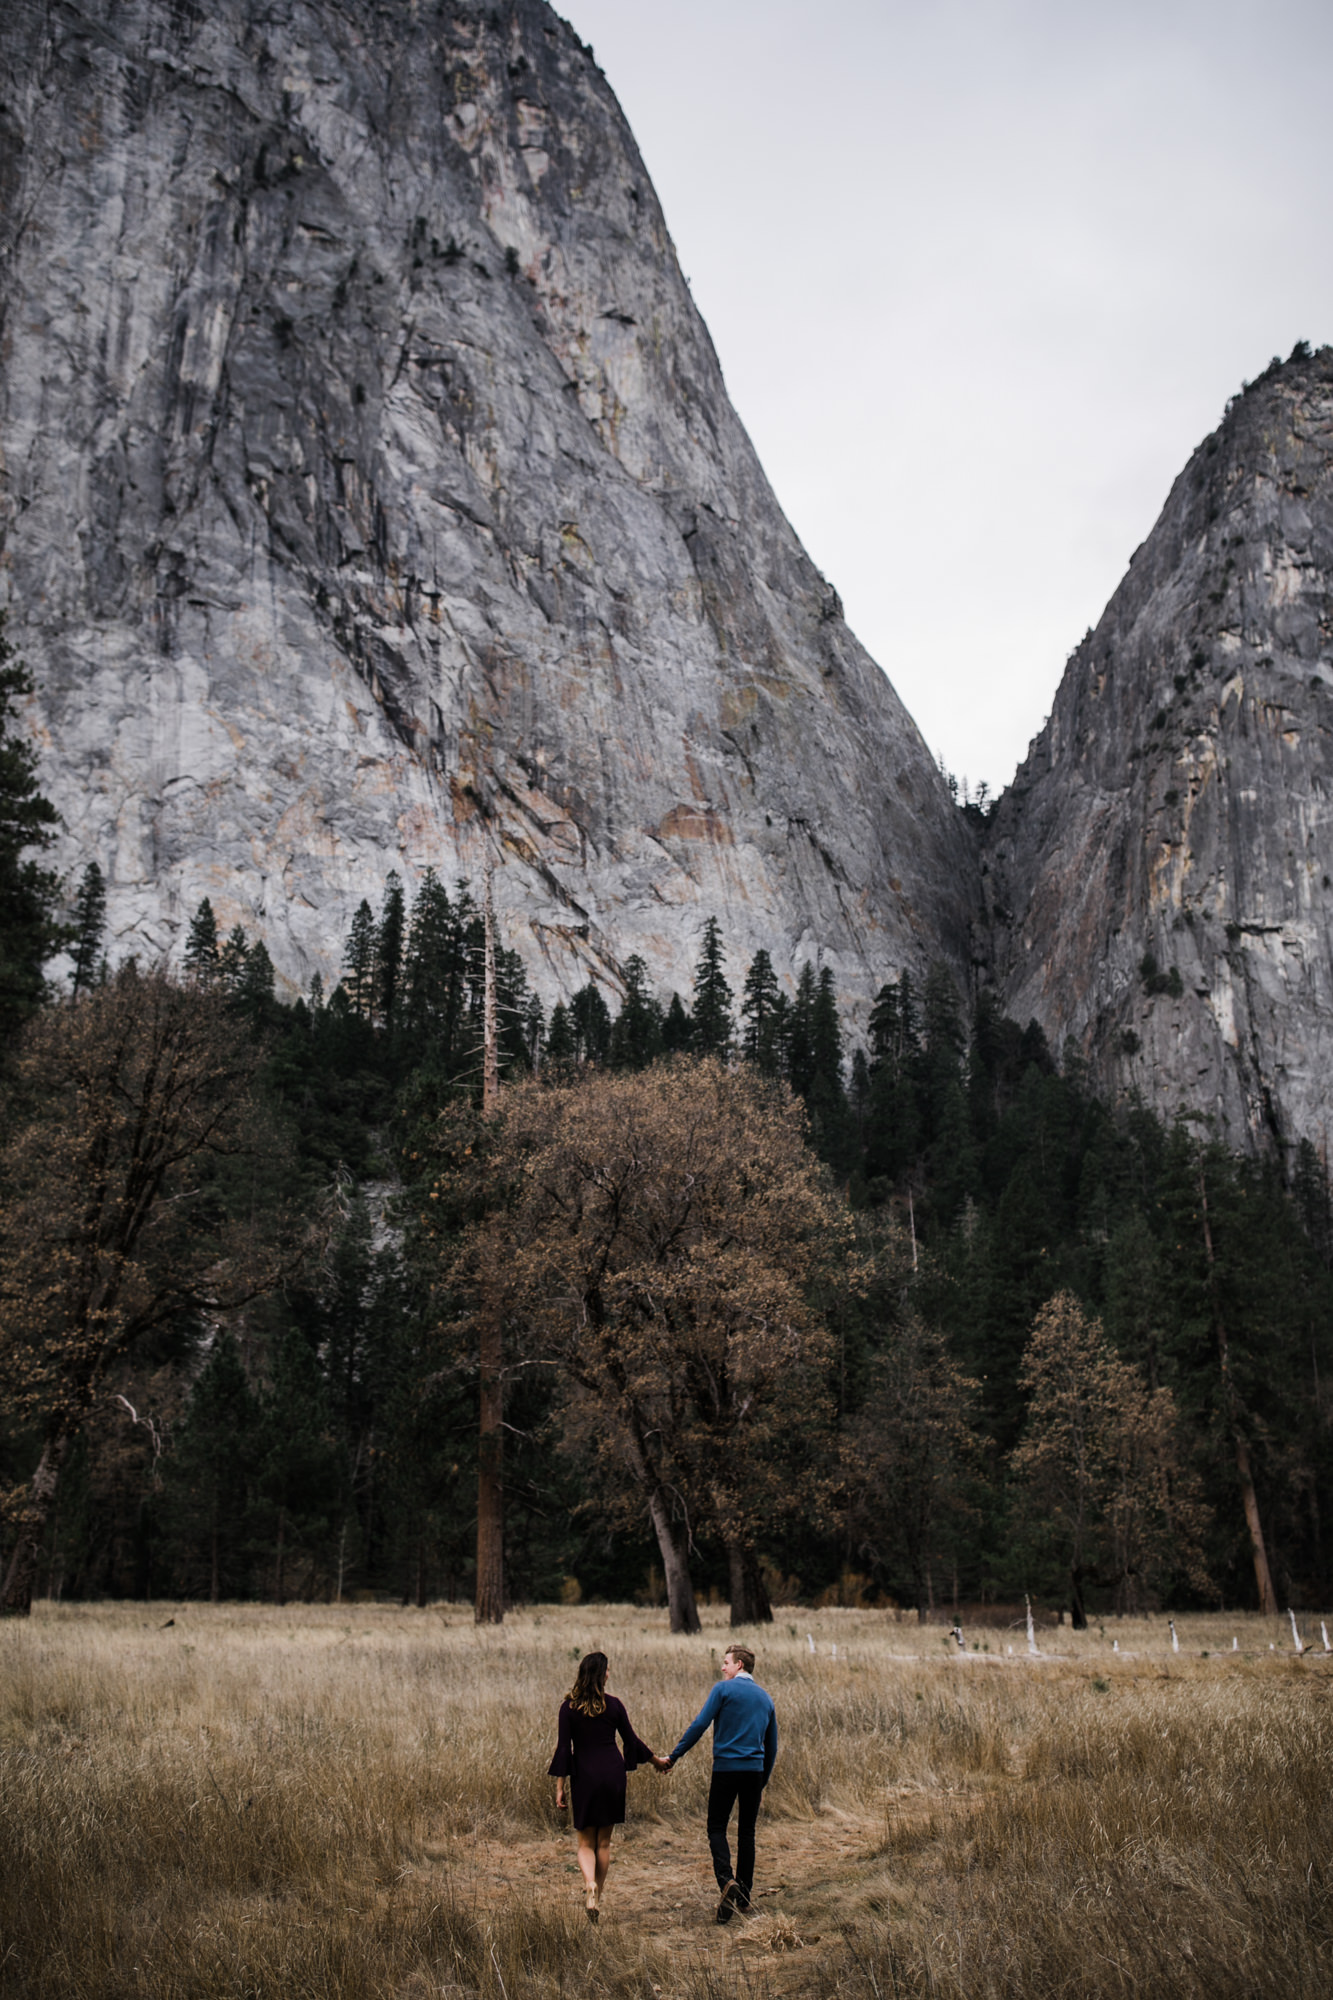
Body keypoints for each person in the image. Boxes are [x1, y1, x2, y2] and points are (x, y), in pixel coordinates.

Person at [548, 1650, 669, 1922]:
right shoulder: (613, 1705)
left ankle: (589, 1883)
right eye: (608, 1670)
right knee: (603, 1844)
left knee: (584, 1843)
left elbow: (564, 1750)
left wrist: (559, 1786)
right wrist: (656, 1762)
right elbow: (632, 1741)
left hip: (585, 1777)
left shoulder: (568, 1708)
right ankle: (597, 1898)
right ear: (602, 1675)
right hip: (613, 1775)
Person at [664, 1643, 778, 1923]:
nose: (722, 1667)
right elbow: (772, 1747)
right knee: (747, 1832)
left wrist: (674, 1756)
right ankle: (745, 1896)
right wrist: (761, 1783)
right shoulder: (765, 1699)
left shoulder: (723, 1690)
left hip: (726, 1769)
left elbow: (700, 1725)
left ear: (740, 1665)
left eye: (726, 1662)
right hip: (753, 1772)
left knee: (716, 1826)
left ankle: (726, 1880)